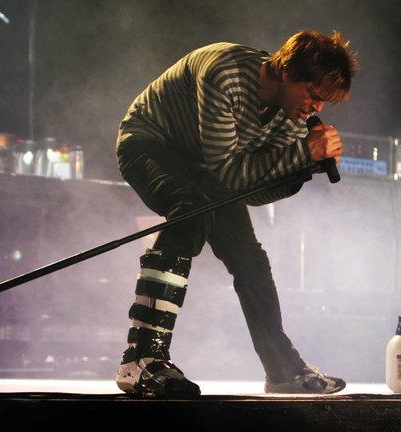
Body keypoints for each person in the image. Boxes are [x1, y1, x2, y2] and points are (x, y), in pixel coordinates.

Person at [113, 29, 358, 397]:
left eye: (325, 102)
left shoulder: (290, 118)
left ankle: (282, 372)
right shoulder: (224, 72)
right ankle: (141, 358)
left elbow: (250, 191)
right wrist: (301, 155)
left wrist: (304, 168)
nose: (316, 108)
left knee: (249, 258)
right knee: (191, 210)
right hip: (151, 141)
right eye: (313, 94)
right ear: (289, 71)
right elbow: (228, 173)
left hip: (205, 168)